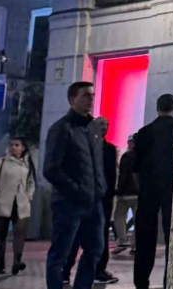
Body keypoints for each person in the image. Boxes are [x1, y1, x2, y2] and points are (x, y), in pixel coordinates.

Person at [44, 81, 107, 289]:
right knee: (60, 254)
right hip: (68, 203)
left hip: (94, 202)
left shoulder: (94, 127)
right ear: (72, 99)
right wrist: (76, 191)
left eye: (92, 95)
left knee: (95, 250)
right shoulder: (61, 128)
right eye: (85, 95)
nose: (91, 99)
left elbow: (97, 163)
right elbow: (51, 169)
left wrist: (100, 188)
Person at [66, 118, 121, 284]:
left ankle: (99, 270)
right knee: (75, 235)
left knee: (101, 236)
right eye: (99, 124)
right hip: (83, 198)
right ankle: (65, 270)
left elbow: (111, 176)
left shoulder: (110, 149)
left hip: (102, 200)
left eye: (105, 125)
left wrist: (109, 199)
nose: (103, 128)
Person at [132, 94, 173, 289]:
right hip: (172, 190)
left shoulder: (144, 132)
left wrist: (142, 187)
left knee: (145, 238)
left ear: (157, 108)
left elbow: (135, 168)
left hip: (148, 190)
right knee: (172, 239)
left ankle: (141, 281)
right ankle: (170, 281)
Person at [0, 137, 36, 276]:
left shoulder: (27, 163)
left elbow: (31, 181)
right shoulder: (2, 162)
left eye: (17, 145)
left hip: (21, 203)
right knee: (1, 234)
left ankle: (17, 261)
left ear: (23, 148)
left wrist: (29, 195)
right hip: (3, 202)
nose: (13, 147)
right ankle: (1, 265)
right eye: (11, 145)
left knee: (19, 233)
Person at [114, 135, 139, 253]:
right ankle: (135, 245)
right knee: (137, 220)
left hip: (126, 194)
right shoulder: (143, 156)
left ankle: (122, 240)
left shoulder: (126, 156)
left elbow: (123, 175)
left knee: (119, 216)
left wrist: (119, 190)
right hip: (139, 194)